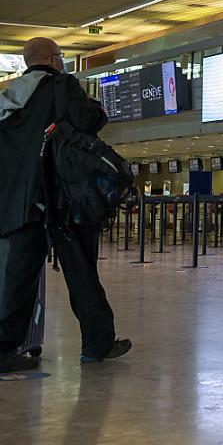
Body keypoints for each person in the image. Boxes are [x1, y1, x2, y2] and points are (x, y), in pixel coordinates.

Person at [0, 38, 131, 371]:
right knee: (80, 272)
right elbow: (89, 120)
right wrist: (93, 105)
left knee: (19, 278)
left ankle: (4, 349)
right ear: (52, 59)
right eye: (60, 57)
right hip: (61, 198)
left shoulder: (8, 99)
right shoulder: (61, 85)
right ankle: (97, 344)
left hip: (20, 204)